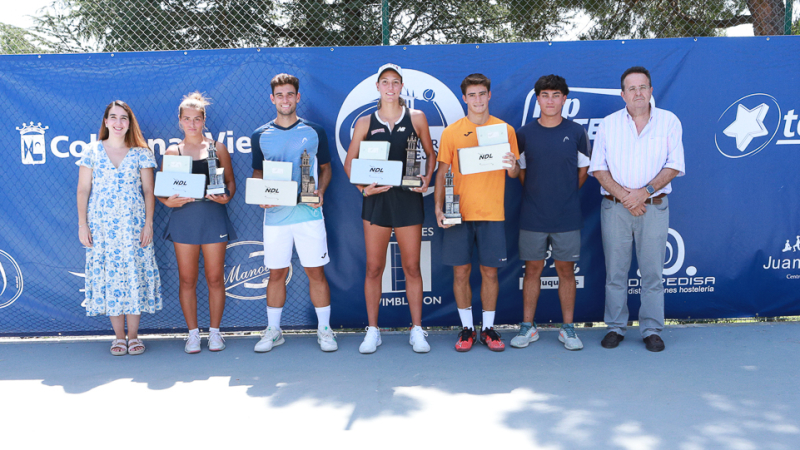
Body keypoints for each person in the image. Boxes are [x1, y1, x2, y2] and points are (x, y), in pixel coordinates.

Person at [588, 66, 685, 352]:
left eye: (643, 87)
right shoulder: (608, 124)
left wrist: (644, 193)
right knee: (615, 273)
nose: (638, 93)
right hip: (615, 208)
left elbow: (674, 165)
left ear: (651, 90)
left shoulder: (669, 121)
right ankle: (616, 327)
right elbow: (598, 168)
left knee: (653, 273)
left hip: (653, 207)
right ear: (622, 94)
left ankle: (652, 329)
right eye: (631, 88)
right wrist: (626, 197)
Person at [343, 63, 436, 354]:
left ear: (401, 86)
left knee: (411, 266)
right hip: (376, 201)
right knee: (374, 268)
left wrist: (426, 180)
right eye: (385, 82)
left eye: (396, 82)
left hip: (408, 199)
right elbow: (350, 165)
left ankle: (417, 330)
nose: (391, 87)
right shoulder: (365, 122)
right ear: (378, 87)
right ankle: (373, 330)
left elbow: (431, 155)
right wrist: (363, 188)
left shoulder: (417, 117)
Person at [250, 73, 337, 353]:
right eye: (280, 95)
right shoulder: (260, 135)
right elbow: (258, 173)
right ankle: (274, 331)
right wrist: (262, 194)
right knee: (276, 274)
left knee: (315, 272)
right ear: (272, 98)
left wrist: (320, 191)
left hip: (309, 215)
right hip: (275, 217)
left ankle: (325, 330)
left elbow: (325, 169)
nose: (285, 99)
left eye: (290, 94)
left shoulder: (314, 131)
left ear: (297, 97)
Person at [434, 73, 520, 352]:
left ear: (490, 95)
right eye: (472, 95)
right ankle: (467, 329)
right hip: (458, 212)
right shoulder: (451, 132)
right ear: (464, 98)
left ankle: (489, 329)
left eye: (482, 94)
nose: (478, 99)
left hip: (492, 213)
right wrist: (438, 206)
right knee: (460, 273)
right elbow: (443, 171)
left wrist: (512, 167)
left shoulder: (505, 130)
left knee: (490, 274)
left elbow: (515, 170)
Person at [510, 75, 590, 351]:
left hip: (567, 216)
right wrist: (538, 193)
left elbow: (583, 172)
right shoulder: (524, 134)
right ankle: (527, 327)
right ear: (538, 99)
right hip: (532, 215)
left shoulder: (577, 132)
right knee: (532, 269)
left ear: (564, 98)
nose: (551, 100)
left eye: (556, 95)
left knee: (566, 271)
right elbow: (520, 173)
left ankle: (567, 328)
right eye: (545, 95)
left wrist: (563, 194)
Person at [77, 100, 162, 356]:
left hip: (134, 226)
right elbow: (83, 190)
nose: (118, 122)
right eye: (113, 117)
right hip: (102, 227)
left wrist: (148, 223)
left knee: (134, 274)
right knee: (110, 277)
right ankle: (118, 337)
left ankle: (134, 337)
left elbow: (149, 190)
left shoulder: (141, 152)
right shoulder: (92, 151)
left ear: (129, 122)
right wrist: (83, 225)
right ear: (105, 121)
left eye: (123, 118)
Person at [158, 92, 237, 354]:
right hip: (184, 220)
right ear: (180, 121)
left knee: (215, 278)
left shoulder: (217, 148)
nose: (192, 124)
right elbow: (162, 189)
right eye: (187, 119)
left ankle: (215, 333)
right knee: (187, 279)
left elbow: (230, 186)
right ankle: (192, 334)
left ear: (204, 120)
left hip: (213, 218)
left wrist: (225, 197)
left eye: (197, 119)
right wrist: (167, 202)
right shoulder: (173, 151)